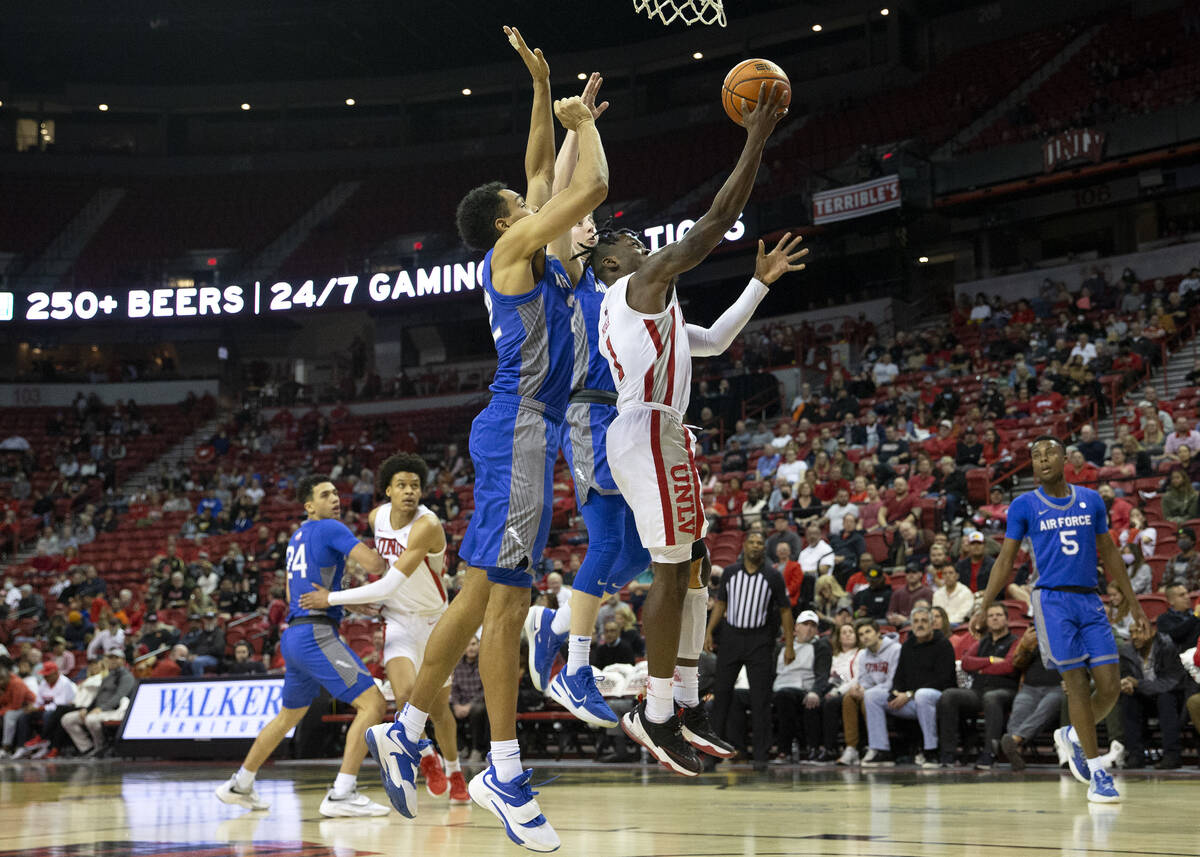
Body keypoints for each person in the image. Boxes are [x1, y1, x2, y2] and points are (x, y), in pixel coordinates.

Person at [364, 30, 608, 849]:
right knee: (504, 604)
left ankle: (402, 731)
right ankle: (505, 771)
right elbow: (590, 180)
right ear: (509, 220)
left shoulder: (529, 236)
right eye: (523, 198)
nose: (536, 195)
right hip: (520, 432)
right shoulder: (516, 247)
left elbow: (541, 168)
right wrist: (585, 125)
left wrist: (543, 93)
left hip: (523, 431)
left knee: (476, 599)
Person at [593, 81, 794, 776]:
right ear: (612, 265)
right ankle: (653, 712)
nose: (638, 241)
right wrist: (755, 138)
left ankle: (683, 697)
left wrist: (759, 283)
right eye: (626, 241)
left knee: (696, 561)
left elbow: (710, 341)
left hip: (654, 429)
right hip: (648, 428)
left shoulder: (653, 311)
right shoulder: (633, 287)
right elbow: (714, 222)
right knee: (674, 571)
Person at [982, 435, 1148, 803]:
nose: (1042, 460)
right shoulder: (1024, 505)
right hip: (1052, 601)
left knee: (1109, 686)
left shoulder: (1090, 500)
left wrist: (1135, 605)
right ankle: (1097, 773)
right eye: (1035, 455)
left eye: (1049, 453)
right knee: (1074, 682)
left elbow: (1111, 554)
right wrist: (984, 604)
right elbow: (1006, 560)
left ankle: (1073, 735)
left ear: (1065, 459)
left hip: (1089, 600)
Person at [215, 474, 390, 818]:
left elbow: (291, 593)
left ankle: (240, 783)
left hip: (294, 635)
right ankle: (343, 793)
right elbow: (375, 565)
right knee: (373, 703)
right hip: (315, 635)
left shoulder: (297, 536)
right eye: (325, 494)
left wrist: (345, 603)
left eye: (337, 492)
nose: (335, 499)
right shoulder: (329, 528)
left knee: (288, 716)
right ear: (309, 505)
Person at [300, 453, 468, 805]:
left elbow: (389, 583)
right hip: (398, 620)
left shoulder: (427, 524)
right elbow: (380, 574)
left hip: (436, 621)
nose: (410, 492)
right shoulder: (377, 517)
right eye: (402, 486)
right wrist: (363, 600)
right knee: (405, 698)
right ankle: (427, 757)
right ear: (388, 490)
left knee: (439, 710)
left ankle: (455, 772)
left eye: (416, 486)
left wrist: (333, 598)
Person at [705, 531, 794, 771]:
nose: (756, 546)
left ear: (764, 548)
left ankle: (761, 757)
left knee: (760, 700)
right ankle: (712, 755)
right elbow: (721, 603)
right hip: (731, 638)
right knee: (721, 696)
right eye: (752, 542)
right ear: (744, 545)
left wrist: (789, 644)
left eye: (760, 543)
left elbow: (785, 610)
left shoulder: (773, 576)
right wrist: (709, 631)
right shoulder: (731, 573)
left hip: (760, 641)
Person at [861, 607, 956, 766]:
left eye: (924, 621)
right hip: (911, 700)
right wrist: (895, 693)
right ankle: (882, 751)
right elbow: (899, 676)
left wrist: (910, 694)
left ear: (932, 624)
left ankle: (931, 751)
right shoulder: (907, 646)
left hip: (937, 699)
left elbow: (944, 680)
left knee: (923, 695)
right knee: (872, 695)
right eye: (916, 621)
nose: (920, 625)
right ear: (911, 625)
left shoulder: (943, 644)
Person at [935, 604, 1019, 768]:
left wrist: (980, 667)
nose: (994, 618)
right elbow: (966, 662)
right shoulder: (982, 642)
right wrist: (991, 660)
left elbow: (1009, 666)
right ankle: (948, 753)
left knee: (991, 698)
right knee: (948, 695)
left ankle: (990, 752)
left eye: (999, 615)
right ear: (986, 621)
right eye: (991, 616)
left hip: (1005, 690)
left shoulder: (1015, 641)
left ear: (1007, 619)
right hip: (978, 691)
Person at [1117, 622, 1186, 769]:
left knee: (1166, 698)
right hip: (1144, 699)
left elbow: (1169, 683)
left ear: (1152, 632)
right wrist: (1126, 684)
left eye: (1139, 632)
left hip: (1173, 699)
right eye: (1131, 633)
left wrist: (1137, 684)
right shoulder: (1126, 651)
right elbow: (1125, 677)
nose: (1134, 637)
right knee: (1129, 699)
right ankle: (1135, 755)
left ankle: (1172, 755)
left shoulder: (1167, 647)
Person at [999, 626, 1065, 771]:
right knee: (1019, 709)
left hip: (1057, 687)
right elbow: (1017, 664)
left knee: (1046, 708)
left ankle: (1015, 740)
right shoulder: (1034, 633)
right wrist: (1025, 646)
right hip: (1030, 687)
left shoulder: (1067, 632)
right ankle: (1016, 751)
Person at [837, 619, 900, 765]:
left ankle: (876, 747)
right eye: (861, 634)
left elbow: (892, 682)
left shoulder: (895, 650)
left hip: (891, 692)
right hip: (873, 692)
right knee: (849, 697)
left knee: (870, 698)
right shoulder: (864, 655)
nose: (865, 637)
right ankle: (851, 748)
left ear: (878, 633)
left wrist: (866, 691)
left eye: (868, 632)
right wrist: (859, 688)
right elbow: (864, 680)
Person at [771, 611, 830, 762]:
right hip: (779, 688)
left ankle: (786, 750)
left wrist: (816, 692)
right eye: (805, 624)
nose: (809, 629)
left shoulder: (821, 646)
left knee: (789, 699)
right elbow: (771, 673)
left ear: (817, 630)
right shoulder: (781, 647)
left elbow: (823, 674)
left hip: (804, 690)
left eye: (813, 626)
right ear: (796, 627)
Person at [61, 649, 135, 757]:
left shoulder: (126, 676)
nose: (113, 661)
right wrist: (88, 709)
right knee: (67, 719)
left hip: (115, 711)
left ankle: (100, 746)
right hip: (99, 710)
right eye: (110, 658)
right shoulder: (108, 676)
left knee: (90, 719)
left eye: (116, 658)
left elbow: (119, 696)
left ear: (123, 660)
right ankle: (87, 748)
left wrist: (101, 709)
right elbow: (97, 697)